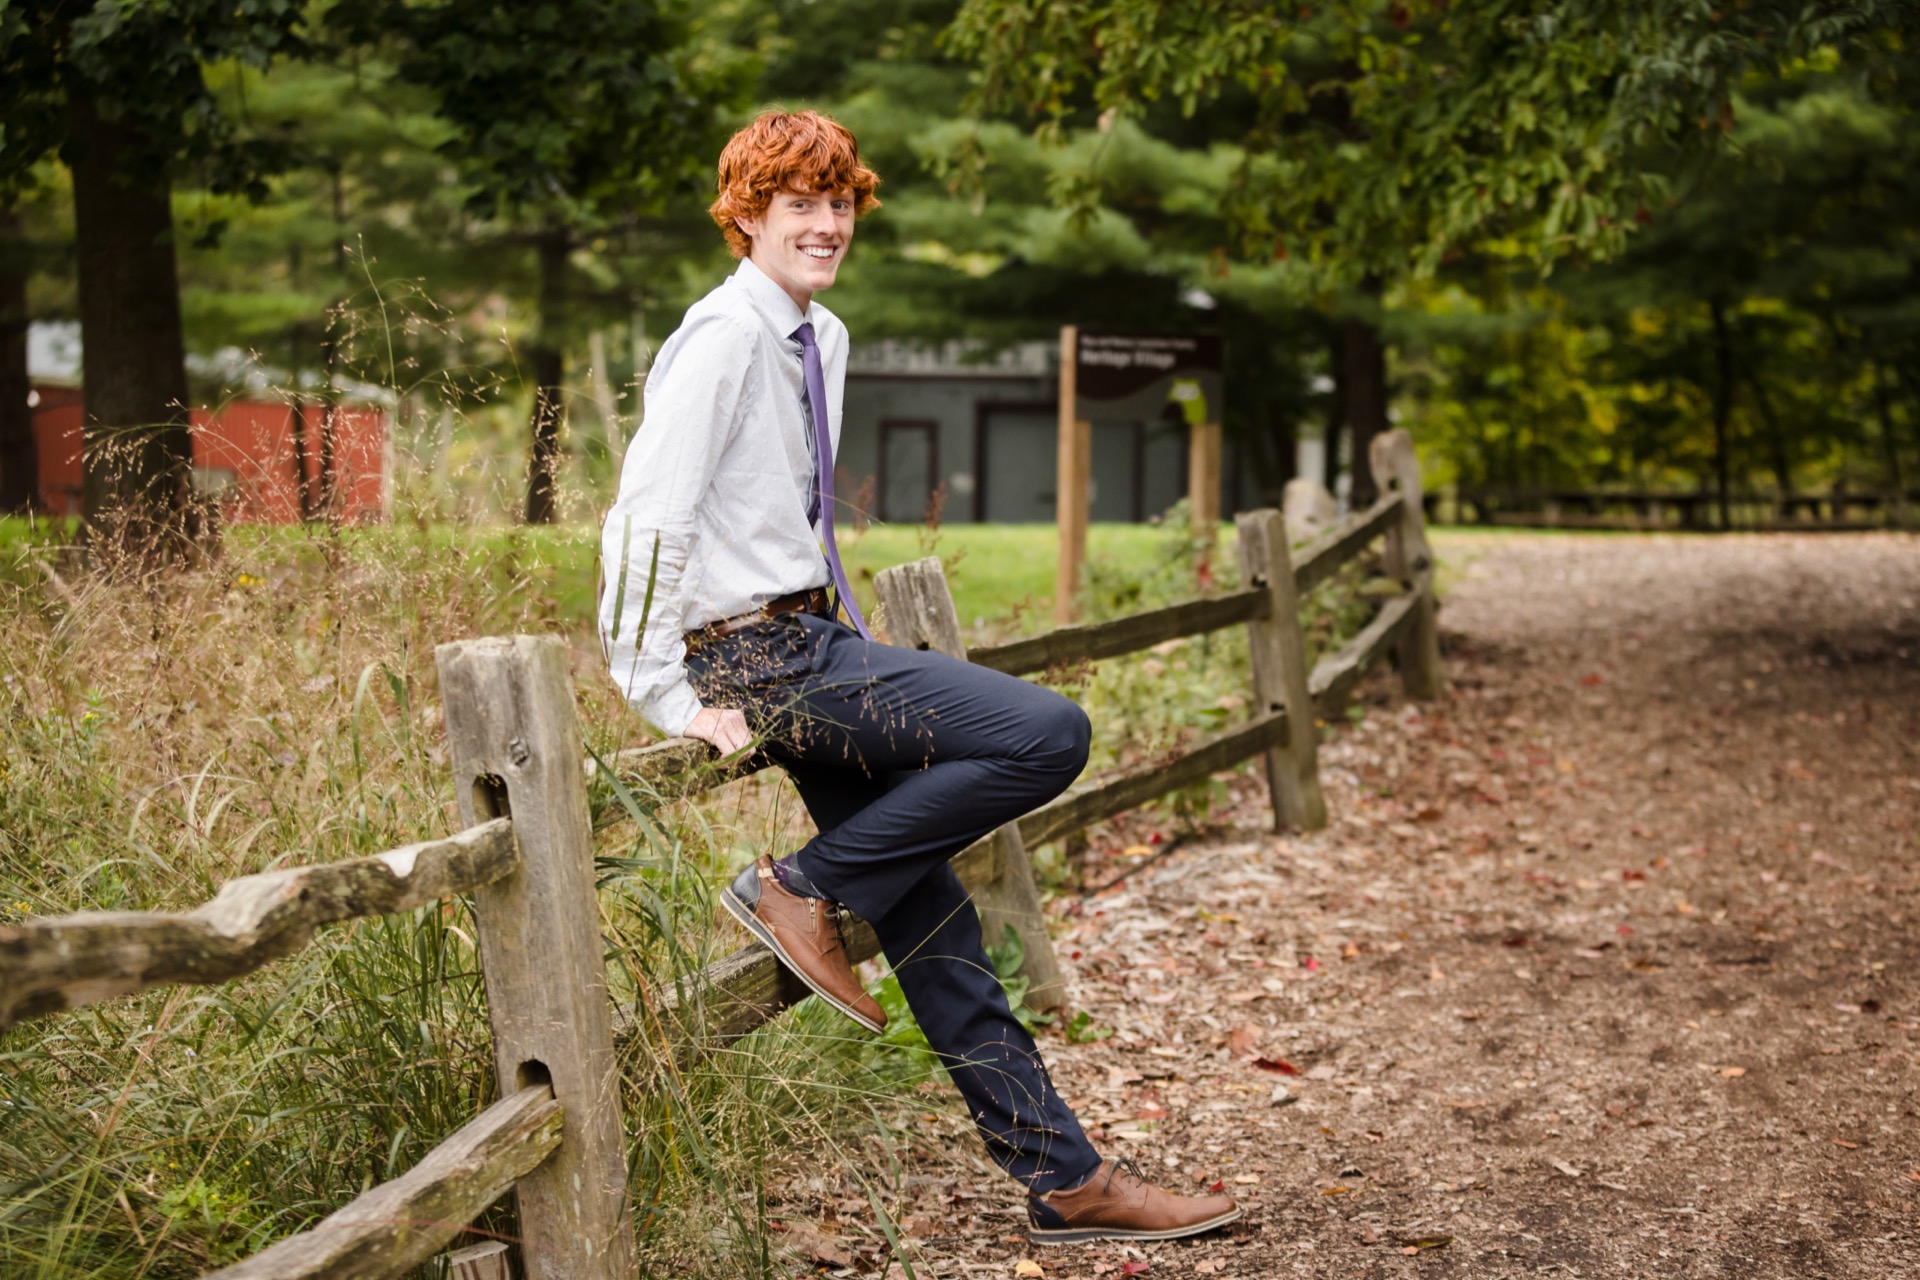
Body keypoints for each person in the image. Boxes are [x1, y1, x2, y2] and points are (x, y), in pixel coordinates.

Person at [598, 108, 1238, 1246]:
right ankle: (797, 886)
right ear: (744, 216)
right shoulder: (721, 337)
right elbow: (650, 515)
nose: (827, 222)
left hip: (815, 636)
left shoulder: (818, 336)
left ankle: (1065, 1176)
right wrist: (664, 689)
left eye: (840, 202)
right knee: (1048, 731)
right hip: (755, 654)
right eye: (800, 203)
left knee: (932, 919)